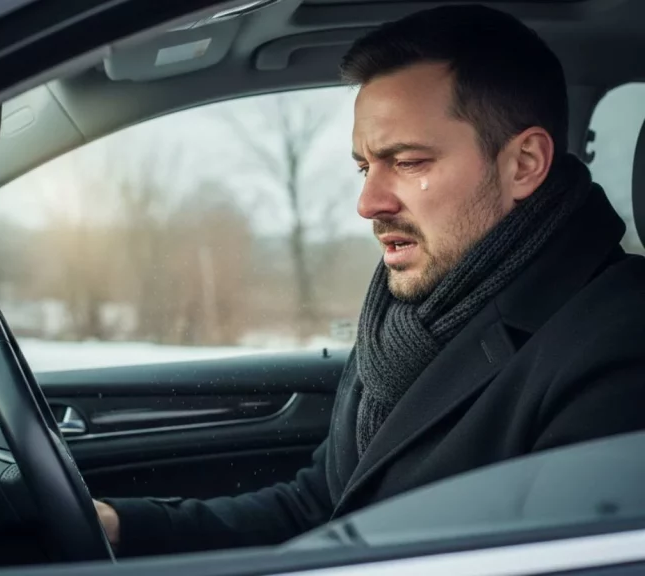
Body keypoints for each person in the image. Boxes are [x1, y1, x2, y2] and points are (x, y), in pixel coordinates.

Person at [94, 4, 645, 556]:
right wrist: (124, 526)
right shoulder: (407, 319)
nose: (367, 203)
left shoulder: (618, 345)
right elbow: (321, 508)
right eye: (364, 167)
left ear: (524, 163)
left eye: (407, 162)